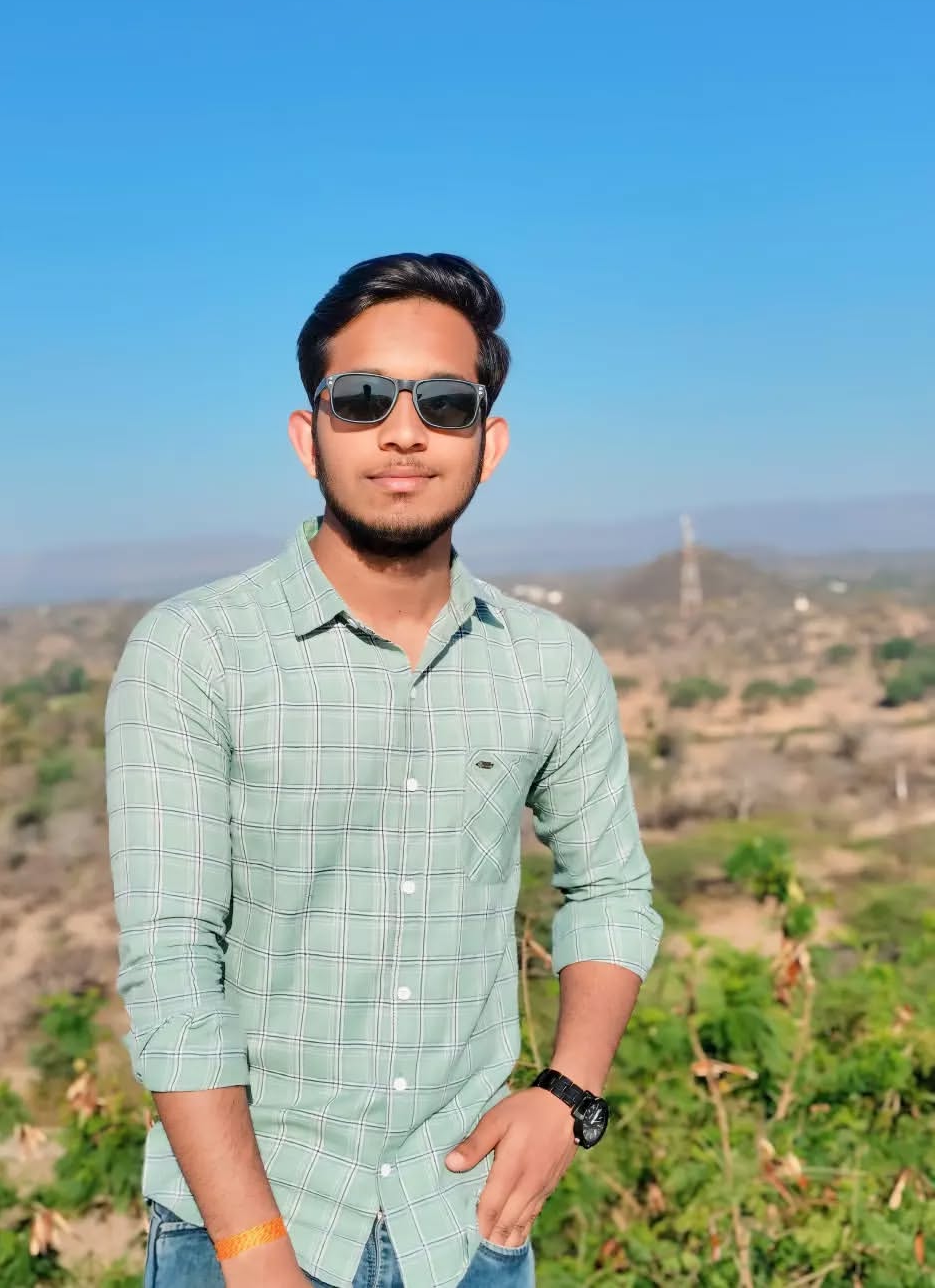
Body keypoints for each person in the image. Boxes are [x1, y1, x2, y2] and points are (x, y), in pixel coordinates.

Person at [105, 252, 664, 1288]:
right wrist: (251, 1249)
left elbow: (611, 891)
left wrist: (569, 1096)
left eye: (444, 404)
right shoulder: (196, 650)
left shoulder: (550, 664)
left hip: (465, 1226)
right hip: (248, 1228)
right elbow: (173, 963)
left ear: (488, 443)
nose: (403, 432)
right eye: (363, 399)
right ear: (306, 433)